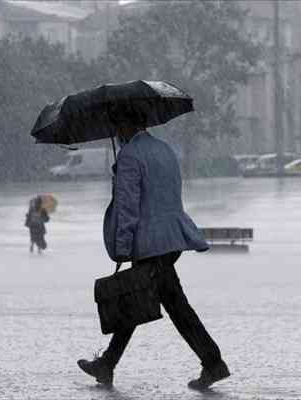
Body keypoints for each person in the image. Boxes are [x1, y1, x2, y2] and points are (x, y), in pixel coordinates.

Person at [77, 111, 230, 391]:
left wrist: (122, 246)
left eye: (116, 125)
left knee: (170, 306)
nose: (115, 133)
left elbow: (128, 207)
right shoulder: (164, 150)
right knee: (141, 299)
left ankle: (213, 362)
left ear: (125, 124)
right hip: (171, 239)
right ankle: (107, 364)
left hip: (149, 244)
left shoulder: (130, 156)